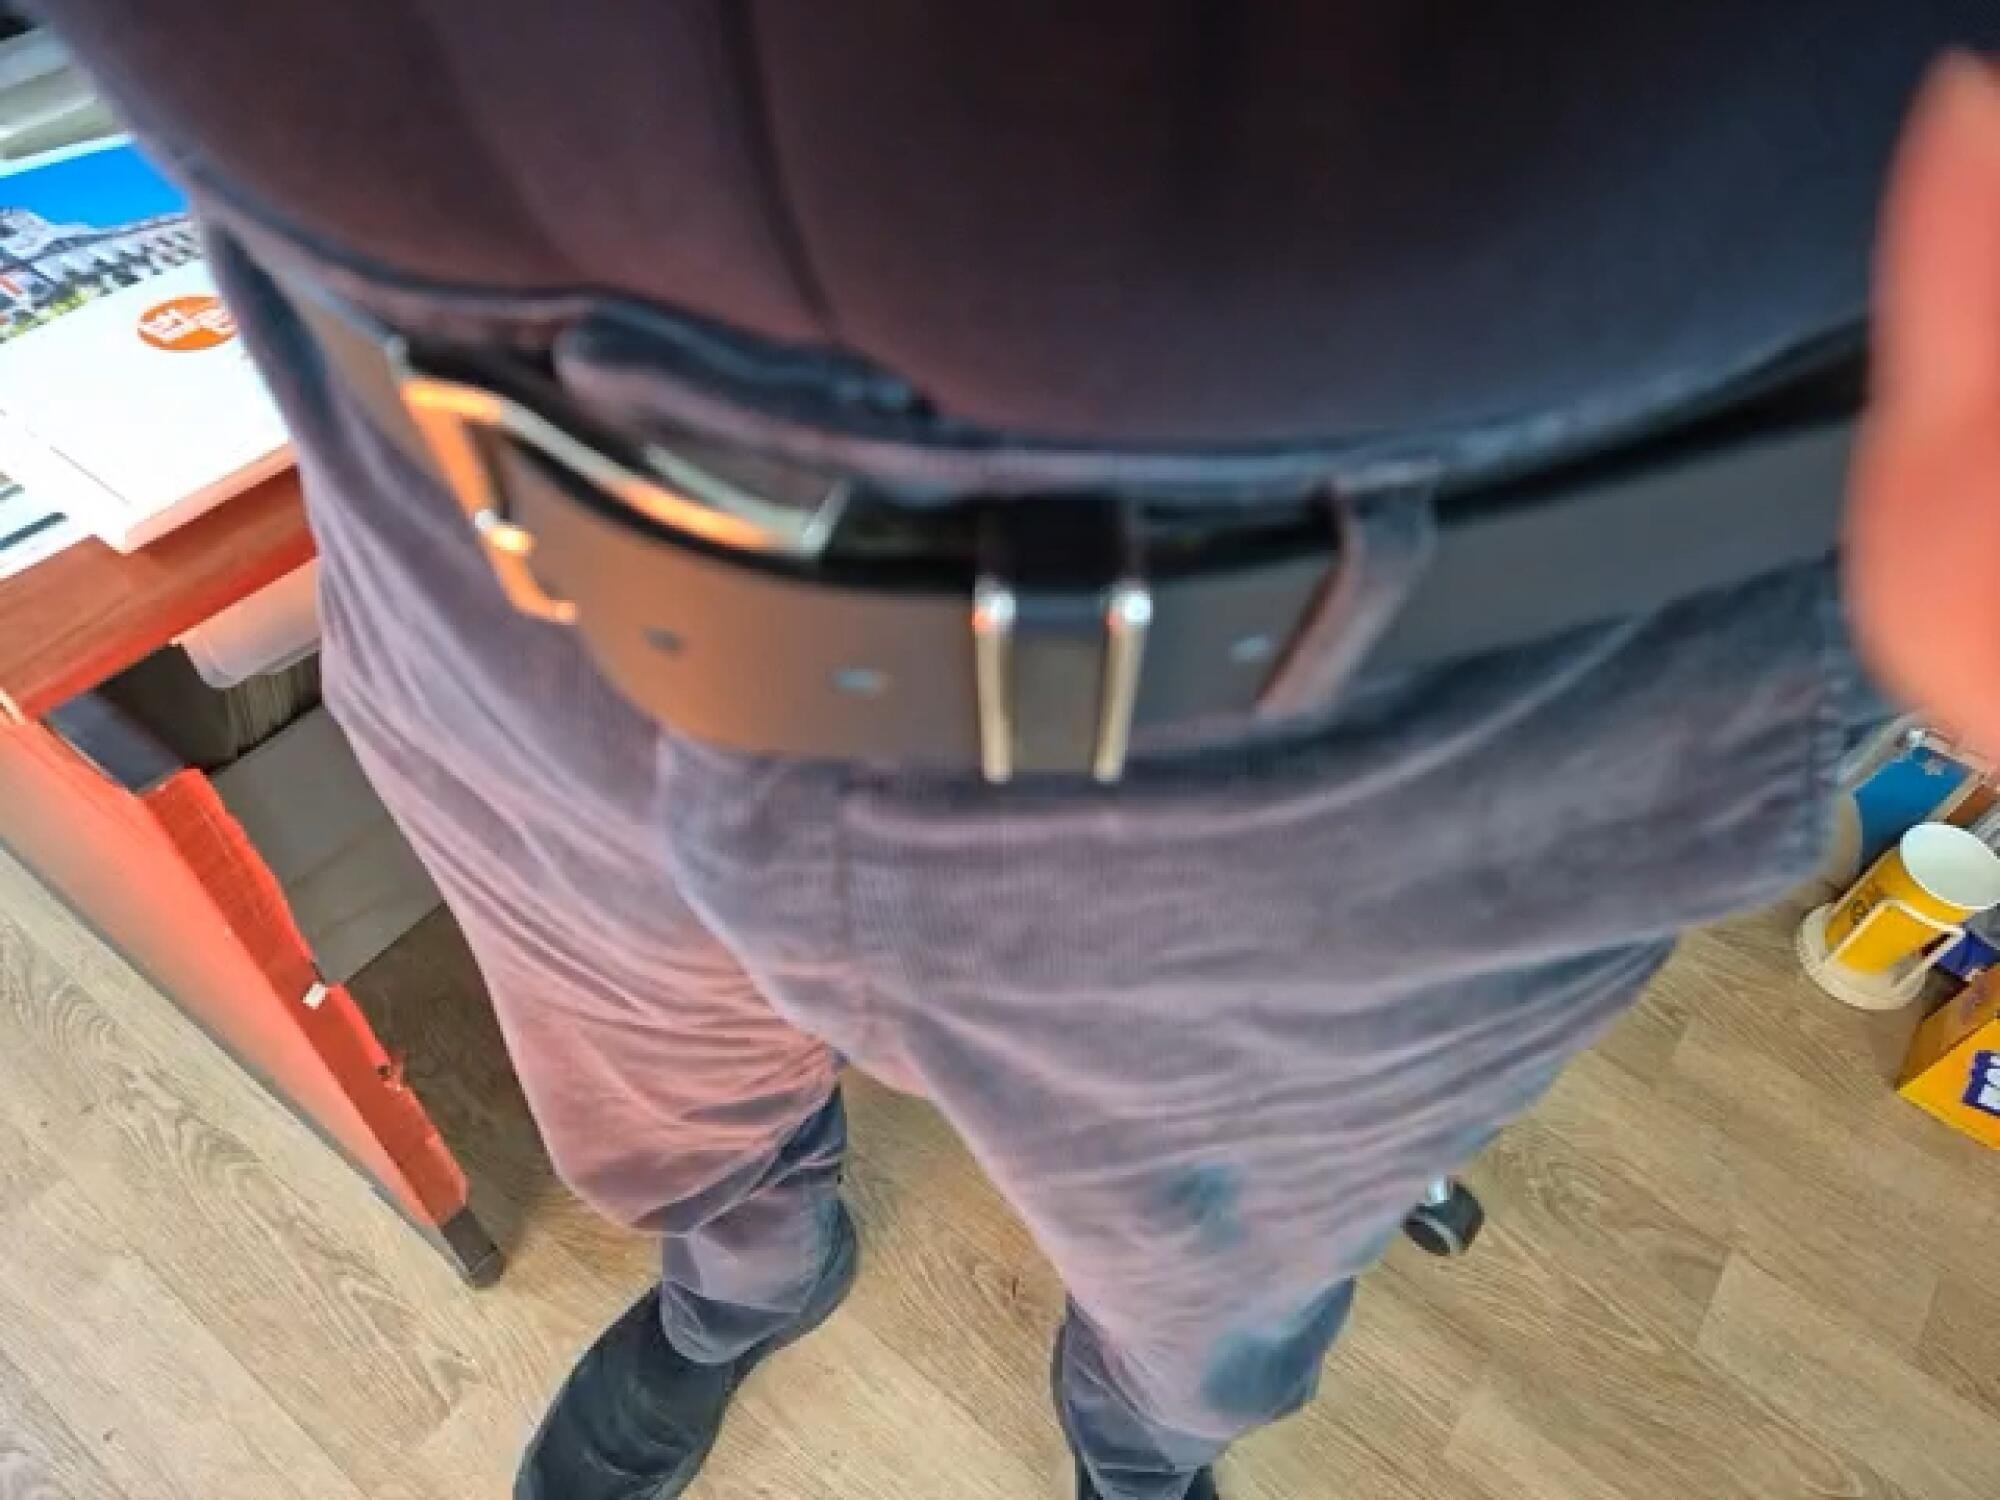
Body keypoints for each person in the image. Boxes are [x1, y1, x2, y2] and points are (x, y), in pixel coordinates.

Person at [41, 7, 2000, 1498]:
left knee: (1225, 1270)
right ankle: (743, 1284)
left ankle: (1137, 1452)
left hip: (1471, 680)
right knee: (642, 1092)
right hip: (490, 530)